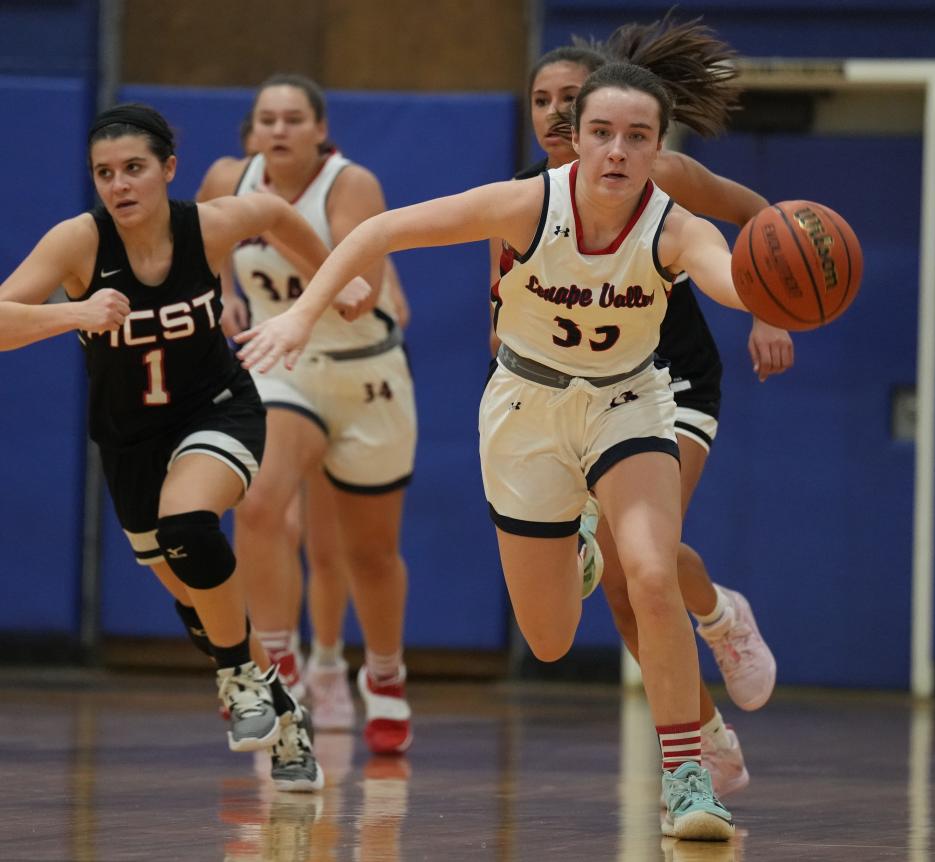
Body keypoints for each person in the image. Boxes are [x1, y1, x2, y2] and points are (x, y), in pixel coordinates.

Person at [235, 59, 759, 841]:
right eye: (603, 133)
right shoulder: (526, 206)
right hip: (527, 410)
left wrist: (779, 289)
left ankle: (688, 777)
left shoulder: (677, 226)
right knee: (547, 639)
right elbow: (380, 232)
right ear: (575, 139)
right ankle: (573, 538)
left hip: (628, 402)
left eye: (637, 137)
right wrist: (304, 314)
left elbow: (729, 280)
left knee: (650, 571)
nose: (618, 151)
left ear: (658, 149)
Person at [0, 103, 376, 791]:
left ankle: (237, 678)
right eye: (105, 173)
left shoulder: (207, 224)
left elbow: (275, 216)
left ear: (168, 170)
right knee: (201, 600)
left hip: (218, 409)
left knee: (189, 522)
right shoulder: (77, 244)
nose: (120, 185)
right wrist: (73, 313)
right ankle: (280, 708)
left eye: (135, 168)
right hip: (130, 442)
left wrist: (332, 280)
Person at [490, 15, 790, 798]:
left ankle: (721, 617)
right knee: (626, 594)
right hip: (567, 396)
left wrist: (769, 307)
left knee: (638, 567)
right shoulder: (524, 201)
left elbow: (764, 222)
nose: (555, 113)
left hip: (666, 382)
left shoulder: (667, 179)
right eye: (542, 101)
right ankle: (706, 735)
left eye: (569, 97)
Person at [197, 74, 416, 754]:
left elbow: (358, 295)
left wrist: (273, 222)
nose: (280, 130)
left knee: (368, 552)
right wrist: (224, 287)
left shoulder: (353, 186)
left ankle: (383, 675)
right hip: (281, 365)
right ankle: (278, 662)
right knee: (258, 501)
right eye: (268, 119)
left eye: (295, 118)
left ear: (320, 130)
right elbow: (203, 237)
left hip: (365, 371)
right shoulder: (228, 177)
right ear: (253, 131)